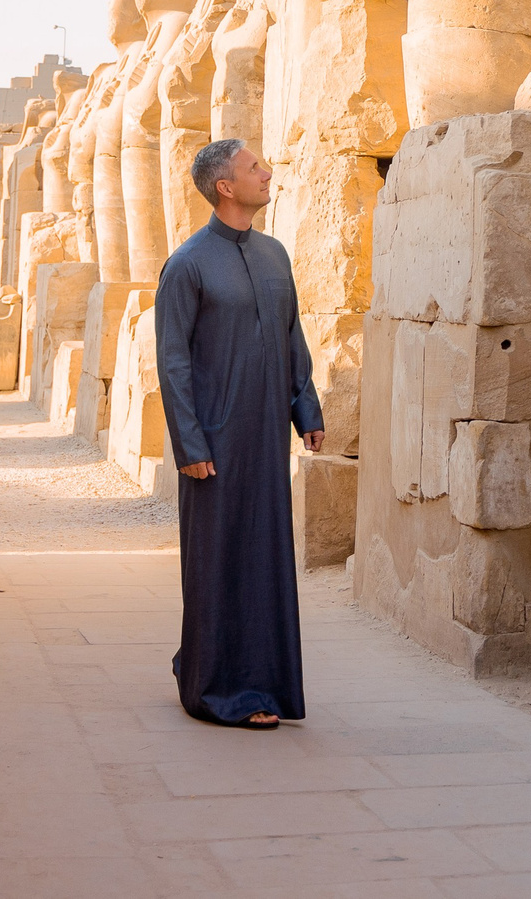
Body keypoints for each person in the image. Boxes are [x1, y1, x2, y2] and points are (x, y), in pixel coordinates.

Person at [151, 137, 325, 727]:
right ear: (225, 187)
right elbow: (172, 363)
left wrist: (307, 409)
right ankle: (219, 690)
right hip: (216, 443)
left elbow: (291, 334)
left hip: (267, 436)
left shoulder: (275, 254)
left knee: (266, 559)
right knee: (218, 561)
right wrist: (190, 446)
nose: (267, 172)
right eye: (255, 167)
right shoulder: (187, 264)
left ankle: (262, 684)